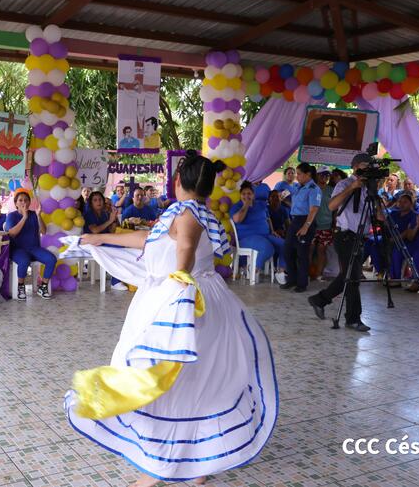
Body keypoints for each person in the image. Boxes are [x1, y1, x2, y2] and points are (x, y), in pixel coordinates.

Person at [67, 151, 277, 486]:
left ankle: (160, 468)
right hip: (191, 297)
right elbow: (151, 241)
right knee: (193, 380)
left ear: (177, 181)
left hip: (185, 300)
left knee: (171, 380)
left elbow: (186, 248)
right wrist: (101, 238)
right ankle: (196, 462)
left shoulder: (188, 215)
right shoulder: (188, 212)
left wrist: (178, 280)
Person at [308, 153, 376, 332]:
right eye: (364, 165)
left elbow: (377, 215)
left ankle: (319, 300)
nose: (367, 168)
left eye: (370, 165)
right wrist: (352, 187)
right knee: (353, 278)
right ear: (355, 167)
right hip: (345, 235)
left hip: (360, 236)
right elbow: (331, 206)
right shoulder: (344, 184)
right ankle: (353, 319)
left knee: (348, 275)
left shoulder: (369, 188)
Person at [5, 189, 55, 300]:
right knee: (24, 261)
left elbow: (43, 231)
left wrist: (38, 216)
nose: (23, 202)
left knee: (51, 259)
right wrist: (24, 217)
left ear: (29, 202)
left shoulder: (34, 214)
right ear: (16, 203)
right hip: (18, 249)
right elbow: (12, 233)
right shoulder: (11, 216)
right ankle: (21, 286)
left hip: (34, 248)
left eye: (26, 200)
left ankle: (43, 287)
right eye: (20, 200)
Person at [231, 181, 285, 279]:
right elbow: (237, 219)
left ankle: (281, 272)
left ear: (253, 195)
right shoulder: (237, 206)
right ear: (240, 195)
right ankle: (253, 270)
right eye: (243, 194)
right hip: (246, 238)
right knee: (268, 247)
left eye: (249, 194)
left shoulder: (261, 205)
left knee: (285, 245)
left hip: (265, 236)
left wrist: (272, 230)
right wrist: (246, 205)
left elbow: (268, 219)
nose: (246, 196)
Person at [281, 163, 320, 293]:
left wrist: (306, 226)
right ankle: (291, 279)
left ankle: (302, 283)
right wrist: (286, 201)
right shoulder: (299, 187)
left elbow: (314, 209)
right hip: (295, 221)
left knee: (302, 254)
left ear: (308, 174)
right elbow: (297, 205)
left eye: (299, 174)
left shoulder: (313, 188)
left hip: (306, 221)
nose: (297, 177)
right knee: (287, 250)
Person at [368, 193, 417, 285]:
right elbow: (382, 219)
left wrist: (395, 239)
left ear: (411, 204)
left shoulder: (414, 216)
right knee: (375, 246)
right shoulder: (394, 213)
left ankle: (396, 278)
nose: (402, 204)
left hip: (405, 241)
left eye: (405, 202)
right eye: (400, 202)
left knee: (396, 251)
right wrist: (379, 206)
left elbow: (408, 231)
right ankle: (381, 271)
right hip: (390, 239)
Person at [312, 167, 334, 281]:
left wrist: (334, 225)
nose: (324, 177)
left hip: (326, 225)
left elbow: (335, 209)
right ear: (317, 175)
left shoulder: (332, 190)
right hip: (311, 225)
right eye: (322, 175)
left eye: (327, 176)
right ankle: (306, 273)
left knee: (322, 250)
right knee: (309, 249)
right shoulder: (312, 188)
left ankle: (319, 275)